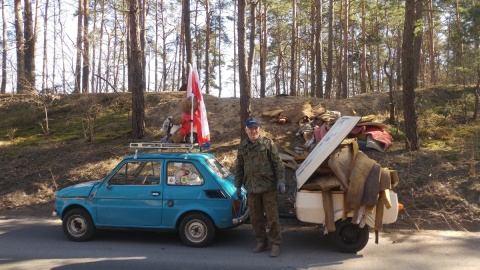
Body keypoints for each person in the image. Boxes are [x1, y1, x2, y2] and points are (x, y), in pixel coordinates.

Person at [234, 117, 286, 257]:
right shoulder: (243, 147)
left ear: (259, 128)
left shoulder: (267, 143)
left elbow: (278, 163)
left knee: (272, 217)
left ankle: (275, 243)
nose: (254, 130)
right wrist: (237, 186)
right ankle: (262, 242)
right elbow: (239, 167)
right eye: (251, 128)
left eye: (256, 127)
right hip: (252, 188)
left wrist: (281, 181)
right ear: (246, 130)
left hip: (268, 187)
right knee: (255, 218)